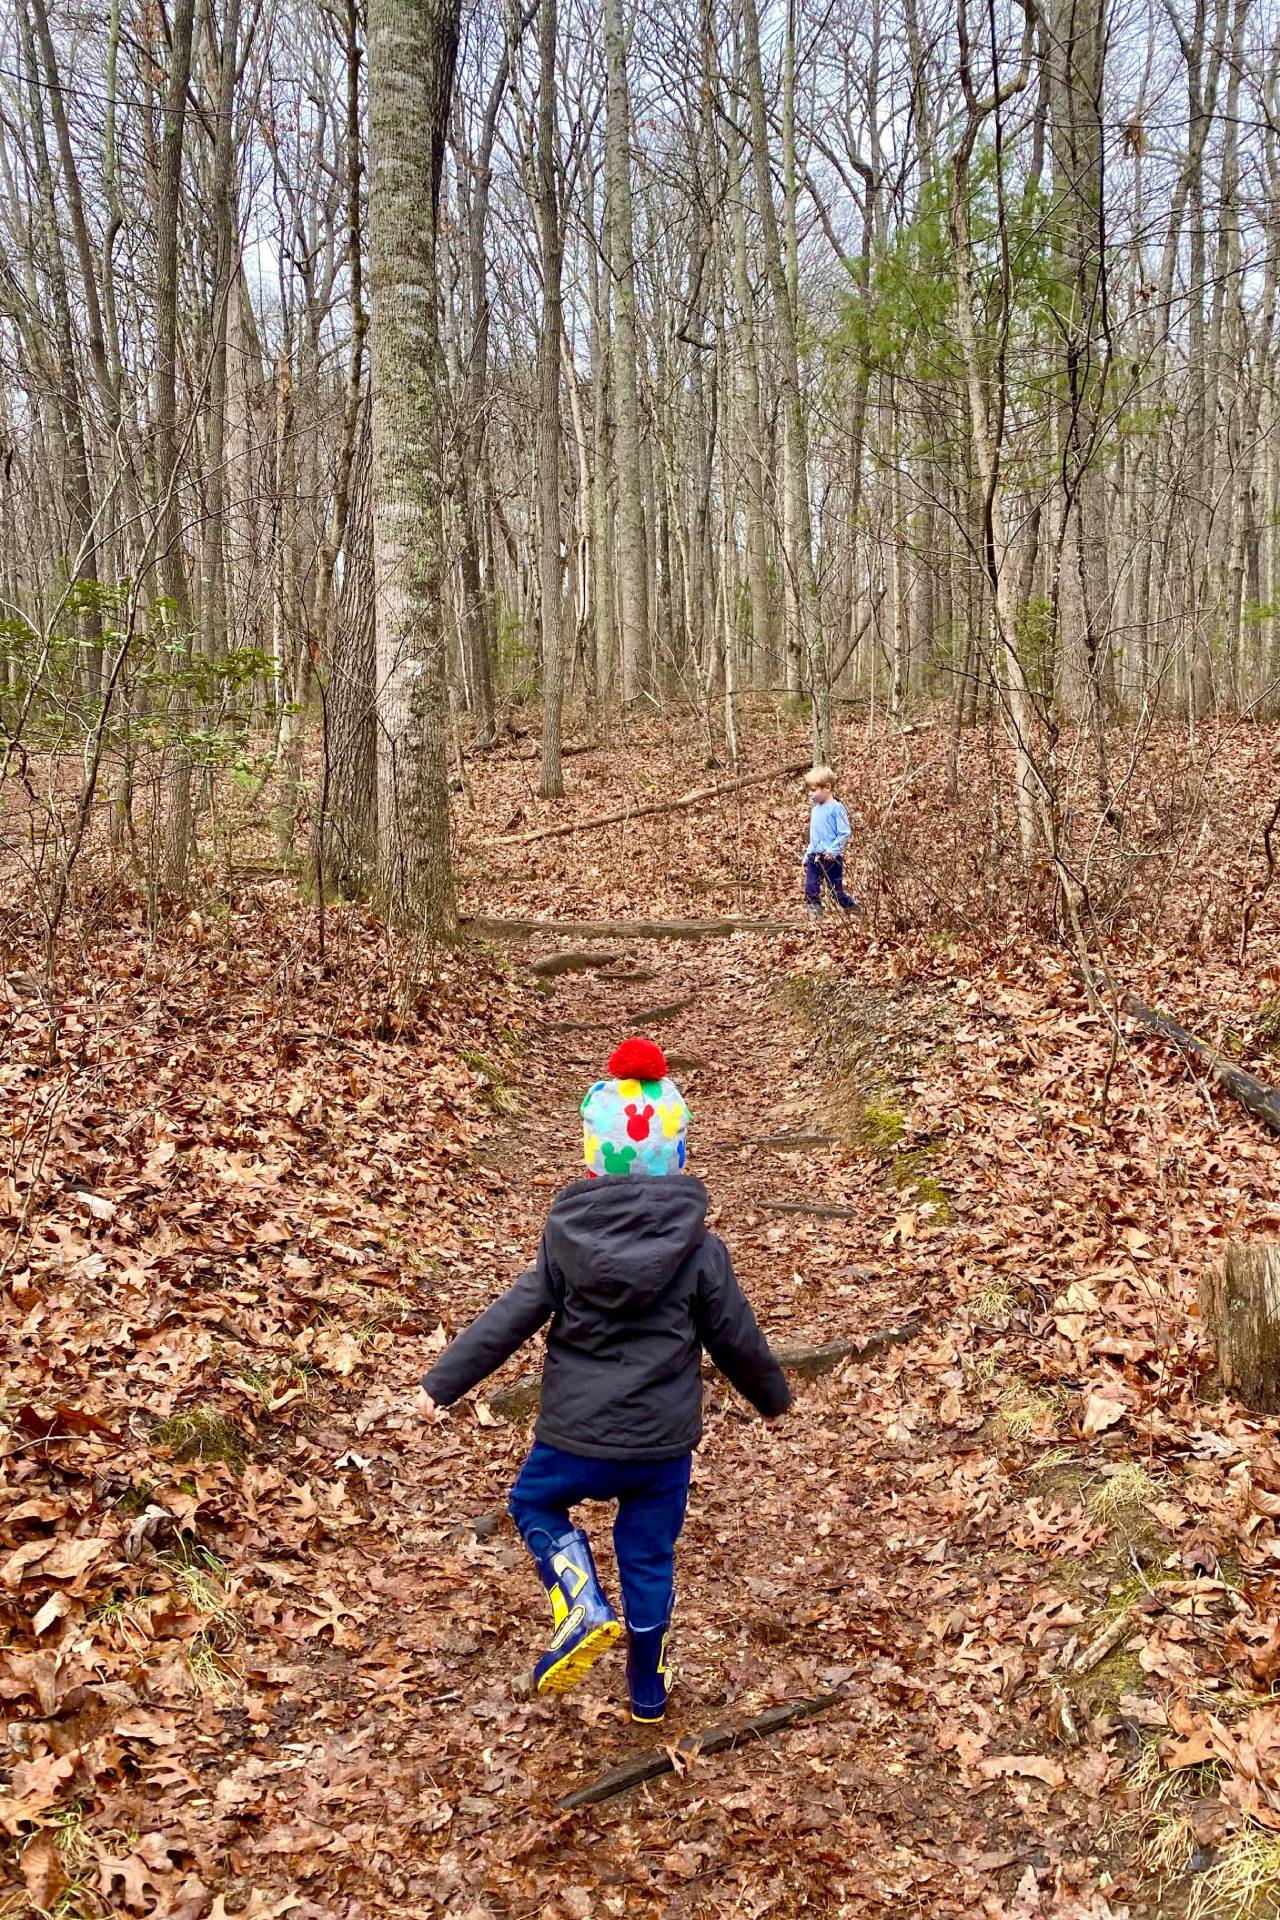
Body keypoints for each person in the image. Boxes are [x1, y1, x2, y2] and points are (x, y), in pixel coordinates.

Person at [415, 1035, 791, 1723]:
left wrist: (443, 1383)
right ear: (676, 1156)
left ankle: (581, 1598)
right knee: (649, 1558)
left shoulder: (565, 1242)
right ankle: (648, 1692)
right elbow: (735, 1333)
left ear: (593, 1158)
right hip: (660, 1447)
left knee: (533, 1506)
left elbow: (514, 1315)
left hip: (575, 1438)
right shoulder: (701, 1249)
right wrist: (772, 1397)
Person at [802, 764, 857, 915]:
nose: (810, 794)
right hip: (815, 857)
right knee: (811, 889)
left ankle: (855, 910)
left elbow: (844, 832)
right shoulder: (815, 810)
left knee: (836, 893)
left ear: (827, 787)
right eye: (809, 790)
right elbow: (814, 836)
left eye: (814, 790)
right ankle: (815, 915)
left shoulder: (836, 808)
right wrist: (808, 853)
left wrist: (833, 850)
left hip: (832, 858)